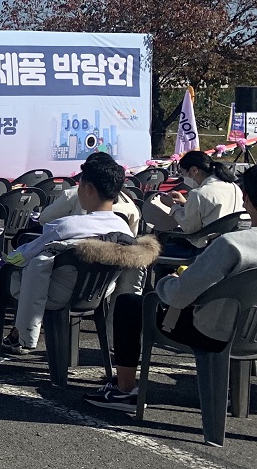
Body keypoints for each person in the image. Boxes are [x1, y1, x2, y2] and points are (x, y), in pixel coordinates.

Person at [0, 156, 133, 359]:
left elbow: (23, 257)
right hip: (93, 295)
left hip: (48, 292)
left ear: (88, 189)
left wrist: (5, 260)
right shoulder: (124, 230)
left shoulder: (68, 226)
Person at [91, 164, 257, 410]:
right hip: (251, 332)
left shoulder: (231, 245)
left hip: (216, 333)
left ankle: (124, 390)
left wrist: (167, 282)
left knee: (129, 304)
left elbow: (178, 296)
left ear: (246, 198)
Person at [141, 151, 244, 242]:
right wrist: (185, 203)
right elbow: (212, 211)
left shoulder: (199, 193)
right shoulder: (233, 187)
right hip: (229, 239)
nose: (183, 177)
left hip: (204, 244)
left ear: (194, 170)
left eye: (183, 172)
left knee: (159, 239)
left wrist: (173, 206)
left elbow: (189, 228)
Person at [38, 152, 140, 233]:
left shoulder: (68, 227)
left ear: (88, 189)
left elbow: (45, 218)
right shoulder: (129, 206)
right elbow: (132, 235)